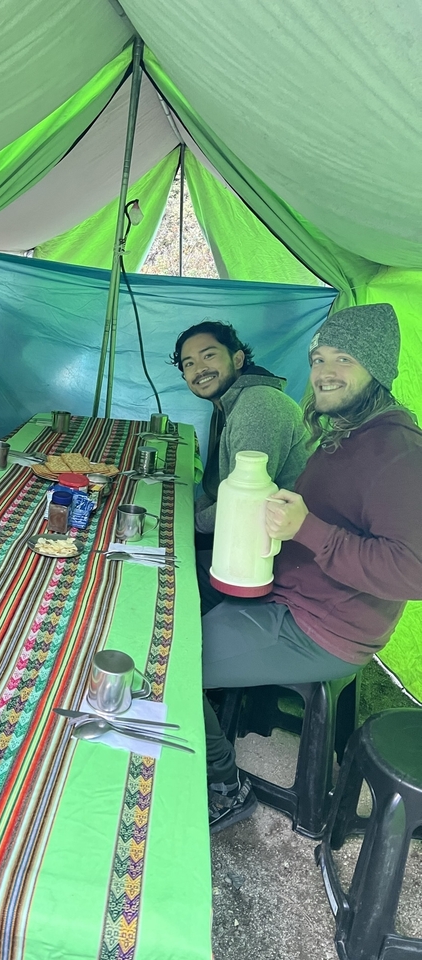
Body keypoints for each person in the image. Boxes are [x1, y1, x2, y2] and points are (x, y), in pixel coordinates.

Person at [201, 303, 422, 833]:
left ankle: (222, 787)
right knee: (168, 602)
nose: (324, 371)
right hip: (284, 596)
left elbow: (412, 571)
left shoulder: (398, 453)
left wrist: (307, 530)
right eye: (319, 357)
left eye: (343, 359)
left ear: (379, 369)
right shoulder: (345, 431)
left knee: (165, 665)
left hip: (320, 629)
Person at [171, 321, 309, 539]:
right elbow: (223, 488)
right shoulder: (230, 402)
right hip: (252, 528)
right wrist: (182, 513)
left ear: (237, 359)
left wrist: (187, 525)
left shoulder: (258, 404)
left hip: (279, 544)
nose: (199, 369)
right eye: (189, 364)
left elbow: (246, 501)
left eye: (208, 356)